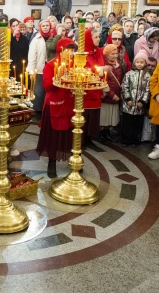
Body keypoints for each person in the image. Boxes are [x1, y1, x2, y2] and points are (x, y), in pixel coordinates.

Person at [37, 39, 77, 177]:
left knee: (71, 133)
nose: (71, 53)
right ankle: (52, 161)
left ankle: (74, 160)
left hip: (70, 104)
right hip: (55, 103)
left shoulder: (76, 65)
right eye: (69, 50)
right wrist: (57, 78)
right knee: (54, 135)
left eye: (73, 50)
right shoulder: (51, 64)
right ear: (61, 50)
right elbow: (47, 86)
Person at [121, 51, 151, 147]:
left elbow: (147, 90)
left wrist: (143, 101)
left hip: (139, 106)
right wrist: (128, 99)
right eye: (137, 62)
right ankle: (125, 139)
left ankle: (135, 140)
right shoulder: (129, 74)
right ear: (134, 63)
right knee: (127, 123)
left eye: (142, 62)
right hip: (128, 105)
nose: (139, 64)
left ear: (145, 63)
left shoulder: (147, 76)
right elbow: (125, 87)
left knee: (137, 124)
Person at [82, 27, 104, 145]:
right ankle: (82, 139)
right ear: (88, 39)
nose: (98, 39)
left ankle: (90, 138)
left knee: (94, 117)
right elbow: (84, 70)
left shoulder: (98, 51)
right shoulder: (82, 53)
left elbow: (101, 65)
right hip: (87, 90)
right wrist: (101, 70)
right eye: (95, 37)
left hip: (97, 89)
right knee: (85, 116)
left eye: (99, 37)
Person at [99, 44, 124, 143]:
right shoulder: (104, 66)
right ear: (106, 55)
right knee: (105, 116)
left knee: (111, 117)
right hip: (108, 96)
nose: (114, 56)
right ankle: (102, 134)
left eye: (116, 53)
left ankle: (107, 132)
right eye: (112, 54)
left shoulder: (118, 65)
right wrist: (111, 94)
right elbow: (103, 82)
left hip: (116, 94)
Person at [28, 20, 49, 113]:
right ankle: (37, 112)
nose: (45, 27)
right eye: (43, 25)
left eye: (47, 25)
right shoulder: (36, 39)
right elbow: (32, 56)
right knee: (38, 92)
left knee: (47, 92)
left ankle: (46, 112)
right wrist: (31, 71)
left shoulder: (53, 38)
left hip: (50, 70)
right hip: (39, 70)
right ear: (40, 27)